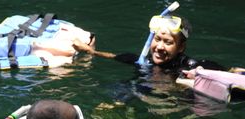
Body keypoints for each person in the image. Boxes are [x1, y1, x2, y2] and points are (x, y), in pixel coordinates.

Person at [73, 15, 225, 75]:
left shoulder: (188, 65)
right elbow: (115, 56)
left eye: (168, 42)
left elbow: (212, 68)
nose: (159, 47)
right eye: (157, 39)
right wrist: (89, 50)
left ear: (181, 48)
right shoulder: (144, 61)